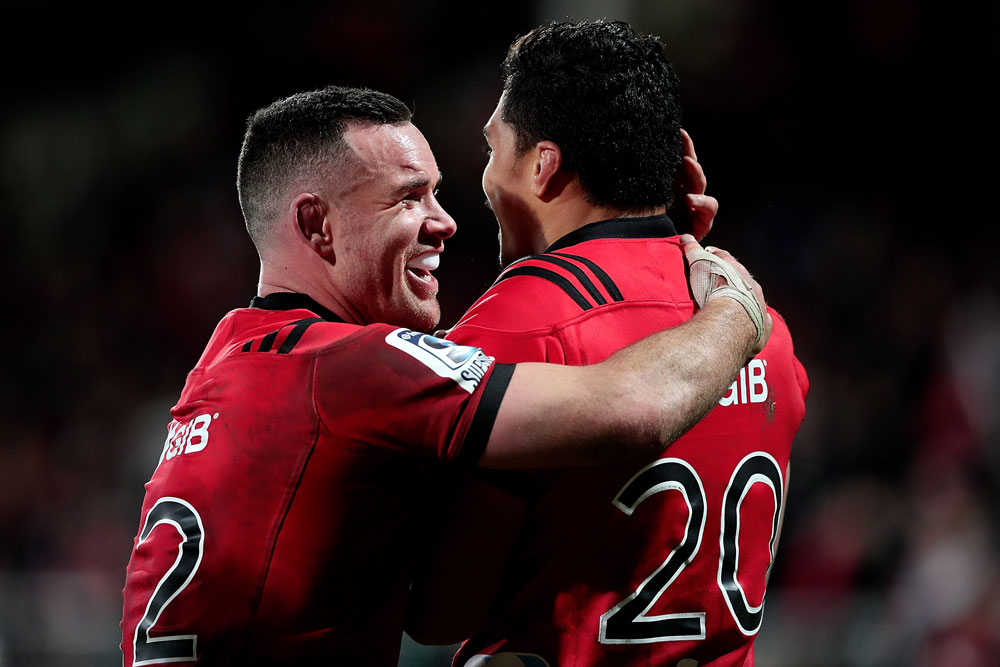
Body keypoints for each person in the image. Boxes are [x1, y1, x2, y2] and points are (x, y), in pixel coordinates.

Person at [119, 84, 770, 667]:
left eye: (437, 191)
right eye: (407, 198)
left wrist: (627, 242)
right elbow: (638, 408)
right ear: (317, 224)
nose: (447, 221)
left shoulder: (228, 358)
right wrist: (735, 310)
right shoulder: (359, 369)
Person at [406, 21, 809, 667]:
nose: (482, 178)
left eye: (491, 150)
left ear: (542, 166)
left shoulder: (512, 326)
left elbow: (440, 609)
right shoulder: (765, 330)